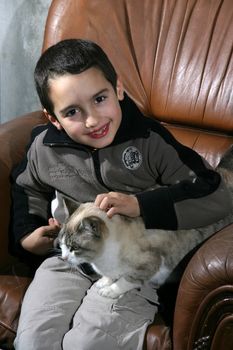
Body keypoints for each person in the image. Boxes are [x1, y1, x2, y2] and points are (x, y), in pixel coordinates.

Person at [11, 39, 232, 350]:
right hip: (68, 260)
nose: (92, 120)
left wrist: (141, 204)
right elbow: (27, 186)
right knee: (34, 339)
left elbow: (214, 193)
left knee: (87, 343)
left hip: (133, 264)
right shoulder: (43, 148)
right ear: (53, 118)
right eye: (72, 111)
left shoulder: (150, 141)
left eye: (100, 98)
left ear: (118, 89)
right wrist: (28, 233)